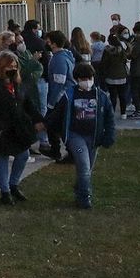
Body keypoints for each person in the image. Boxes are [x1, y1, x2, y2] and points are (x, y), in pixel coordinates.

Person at [46, 63, 117, 209]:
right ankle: (85, 198)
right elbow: (57, 115)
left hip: (94, 137)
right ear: (77, 79)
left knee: (87, 169)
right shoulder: (69, 95)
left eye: (89, 78)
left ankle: (80, 189)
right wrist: (52, 129)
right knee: (84, 167)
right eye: (83, 78)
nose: (87, 81)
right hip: (75, 136)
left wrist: (109, 135)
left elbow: (109, 118)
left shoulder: (101, 96)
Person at [0, 53, 44, 205]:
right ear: (1, 67)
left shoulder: (17, 84)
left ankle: (13, 184)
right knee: (1, 156)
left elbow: (27, 103)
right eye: (10, 67)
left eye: (15, 67)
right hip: (1, 128)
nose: (13, 69)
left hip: (17, 127)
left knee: (23, 155)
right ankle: (5, 191)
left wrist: (38, 119)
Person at [41, 31, 75, 162]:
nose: (47, 44)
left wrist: (52, 102)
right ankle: (58, 150)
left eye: (48, 42)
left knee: (56, 125)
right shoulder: (65, 55)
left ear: (54, 44)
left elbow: (59, 82)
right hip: (64, 96)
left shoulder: (59, 59)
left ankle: (64, 151)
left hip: (61, 98)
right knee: (56, 126)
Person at [97, 25, 130, 118]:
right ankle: (123, 113)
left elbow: (103, 63)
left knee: (113, 96)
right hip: (122, 75)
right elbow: (125, 60)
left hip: (111, 76)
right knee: (122, 96)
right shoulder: (121, 50)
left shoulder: (107, 51)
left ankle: (112, 112)